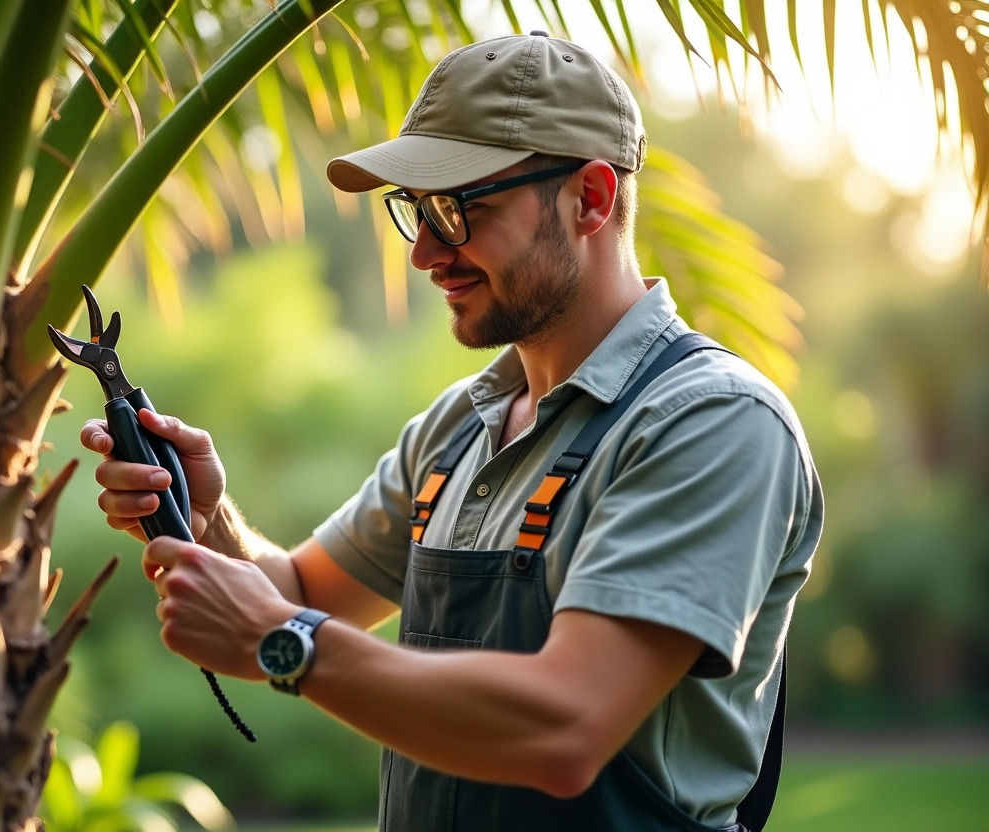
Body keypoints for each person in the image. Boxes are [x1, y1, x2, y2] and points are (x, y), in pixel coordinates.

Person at [81, 31, 823, 832]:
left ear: (592, 198)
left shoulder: (708, 424)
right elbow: (295, 593)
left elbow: (567, 726)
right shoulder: (457, 430)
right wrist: (206, 520)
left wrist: (280, 641)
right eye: (417, 211)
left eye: (460, 207)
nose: (427, 253)